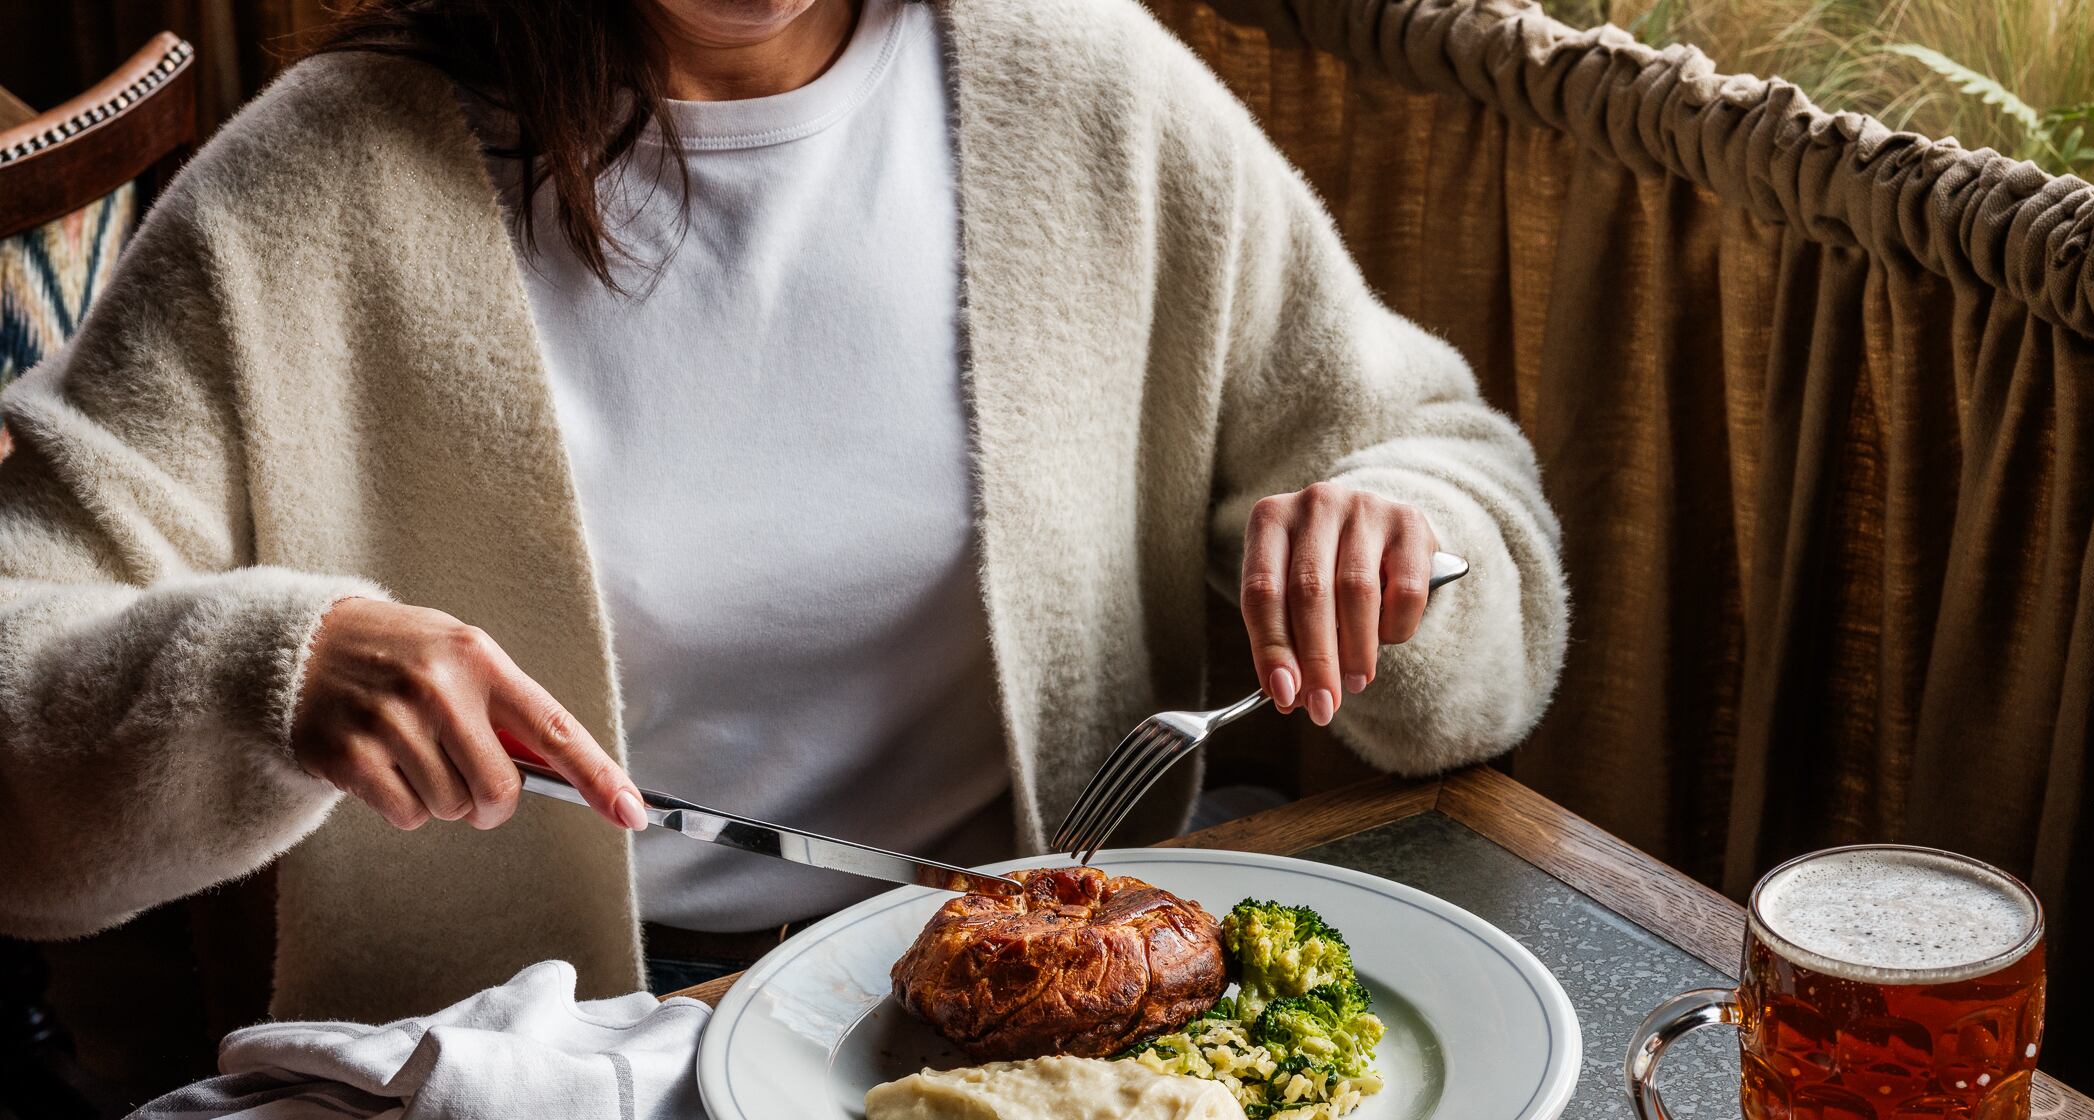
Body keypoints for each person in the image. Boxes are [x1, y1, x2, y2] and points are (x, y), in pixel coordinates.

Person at [0, 0, 1566, 1023]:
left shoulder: (1086, 83)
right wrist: (269, 662)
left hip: (1077, 1032)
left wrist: (1396, 525)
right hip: (546, 1109)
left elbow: (1451, 482)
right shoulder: (322, 179)